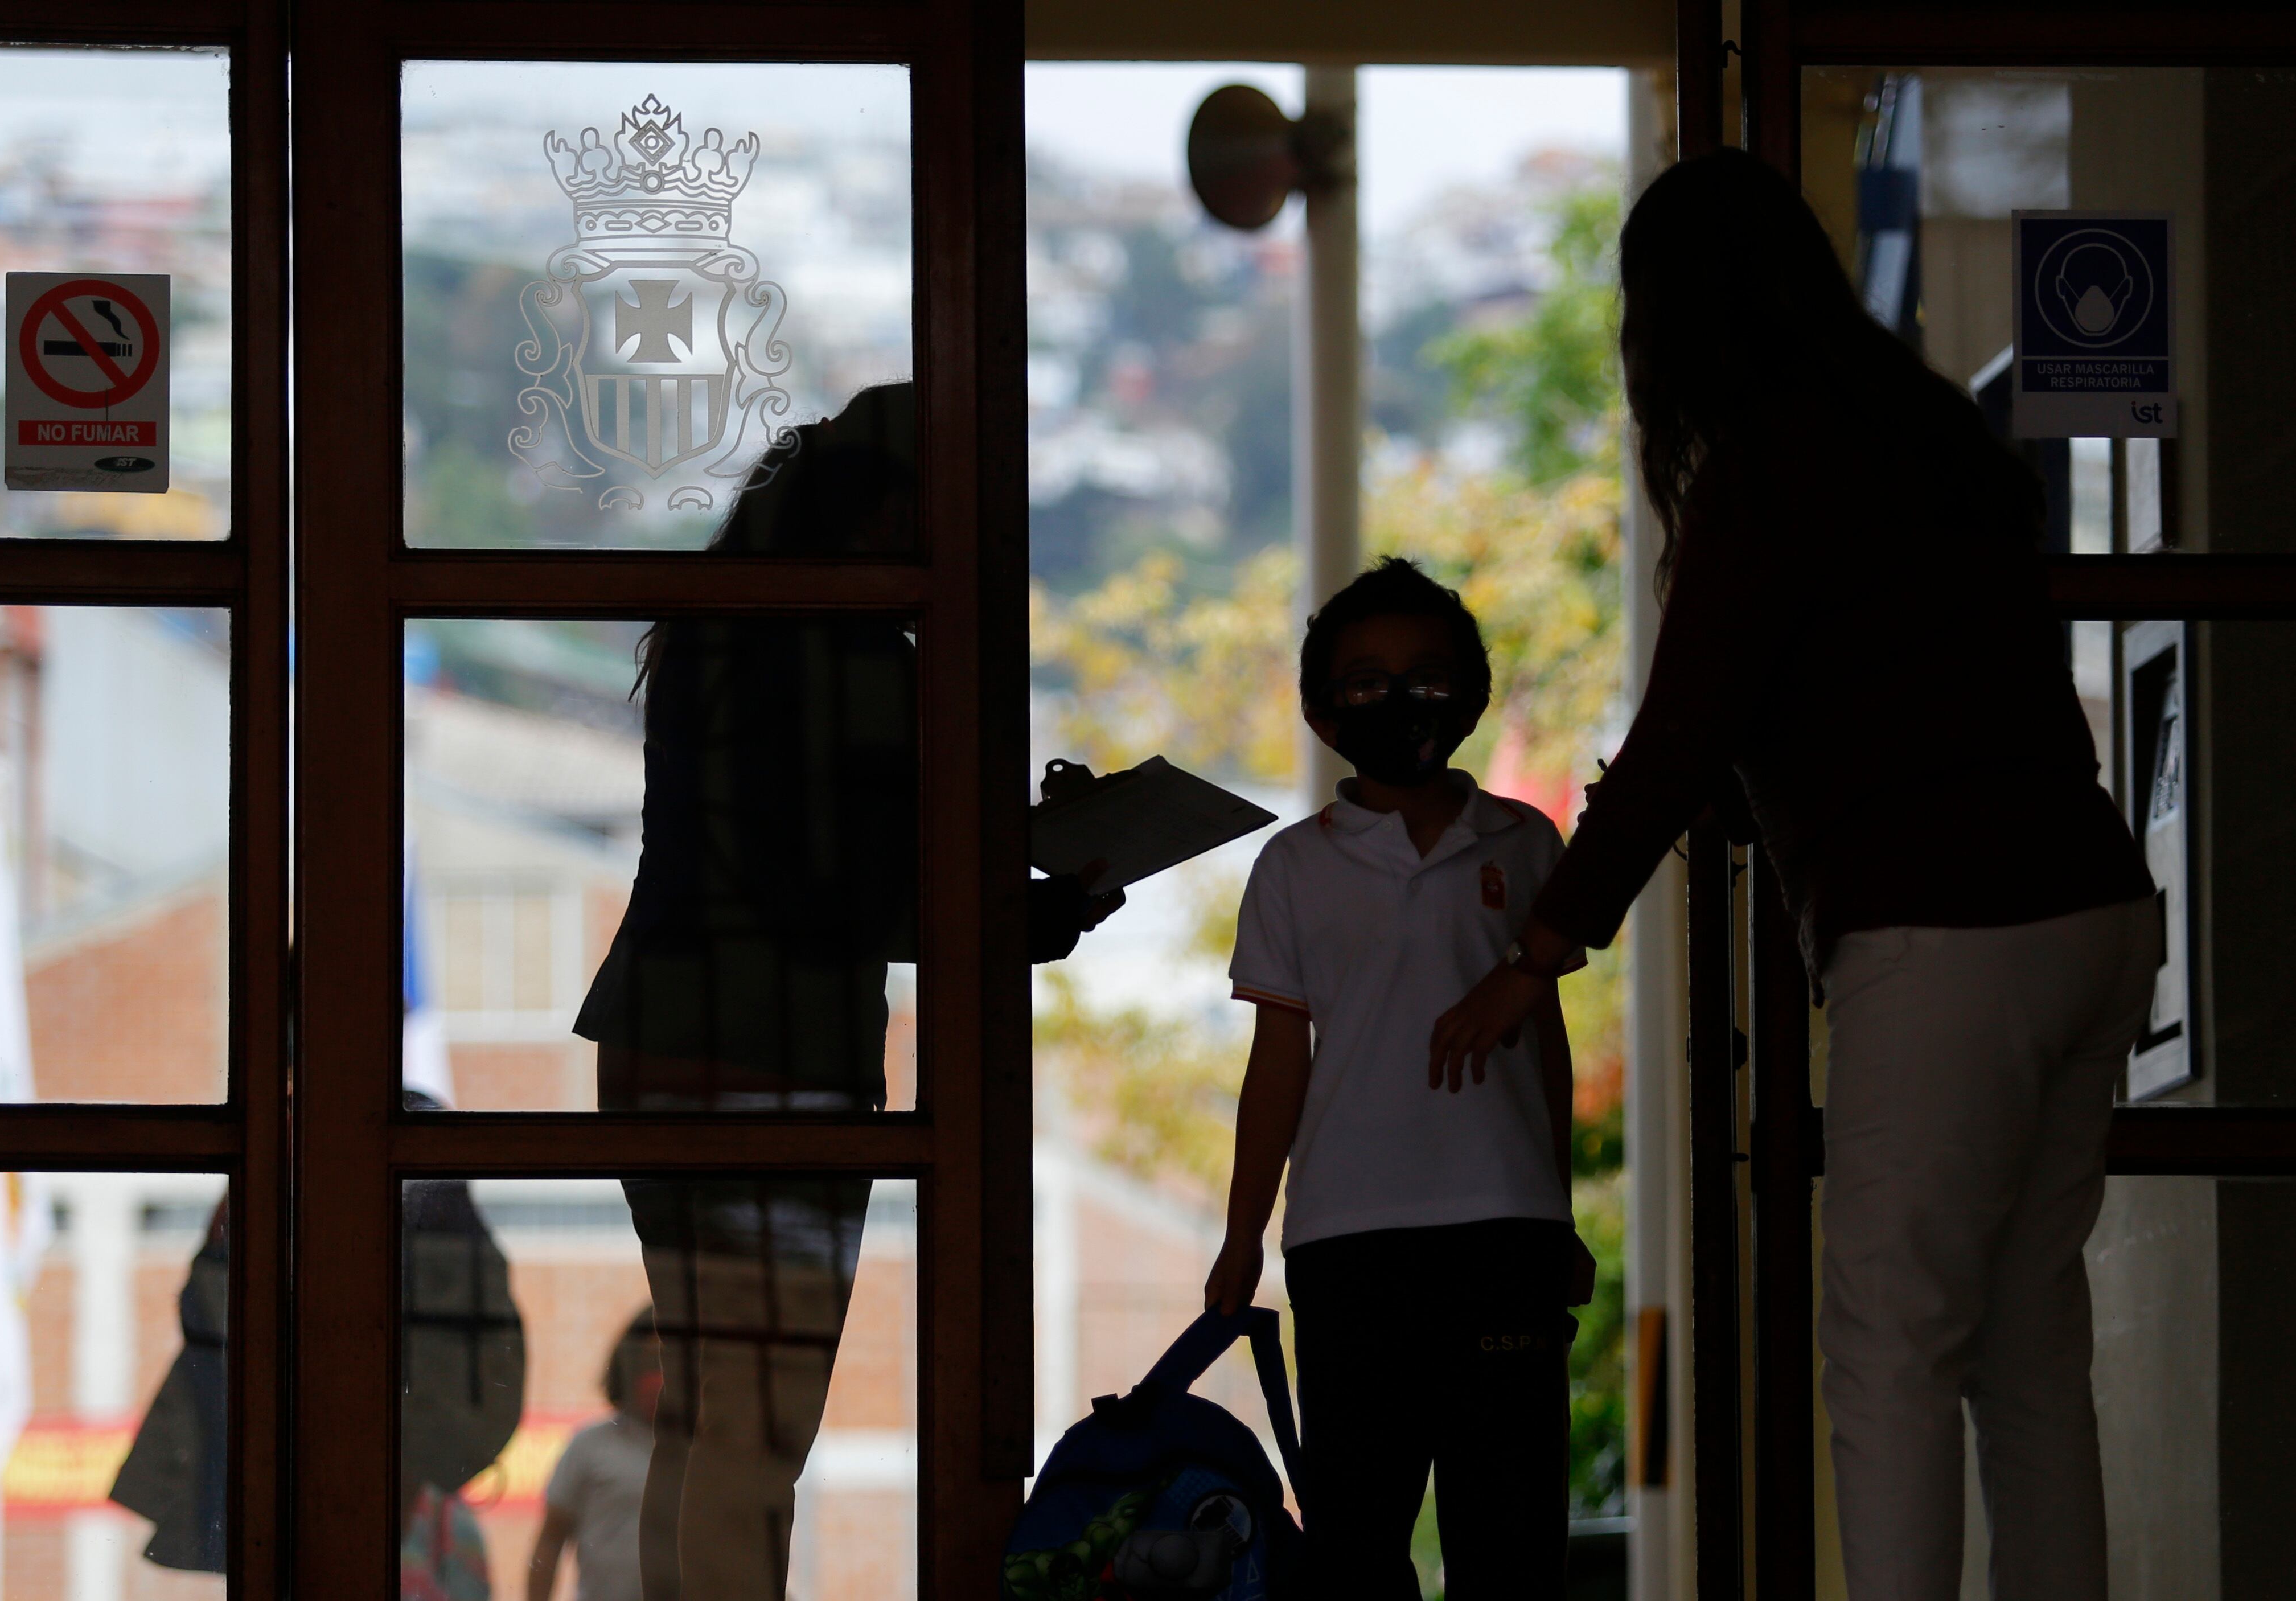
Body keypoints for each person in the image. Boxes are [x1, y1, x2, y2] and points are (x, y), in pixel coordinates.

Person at [1428, 149, 2158, 1601]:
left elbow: (1686, 727)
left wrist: (1542, 948)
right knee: (2026, 1346)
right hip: (2093, 906)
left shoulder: (1768, 458)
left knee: (1890, 1343)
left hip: (1942, 929)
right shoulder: (1930, 436)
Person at [573, 383, 1122, 1601]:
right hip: (785, 1047)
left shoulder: (719, 625)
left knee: (705, 1407)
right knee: (758, 1427)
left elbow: (804, 852)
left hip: (660, 1029)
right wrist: (1035, 902)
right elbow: (860, 886)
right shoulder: (863, 644)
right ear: (895, 511)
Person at [1203, 557, 1596, 1601]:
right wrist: (1243, 1235)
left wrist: (1556, 1213)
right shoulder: (1293, 866)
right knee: (1356, 1549)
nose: (1399, 697)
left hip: (1505, 1231)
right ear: (1323, 712)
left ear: (1471, 691)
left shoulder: (1527, 839)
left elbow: (1543, 1037)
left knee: (1511, 1543)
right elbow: (1277, 1064)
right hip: (1346, 1242)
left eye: (1426, 673)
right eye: (1366, 679)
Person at [529, 1310, 662, 1601]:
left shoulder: (707, 1457)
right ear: (628, 1367)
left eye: (672, 1365)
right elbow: (551, 1541)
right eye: (652, 1364)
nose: (661, 1378)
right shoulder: (591, 1445)